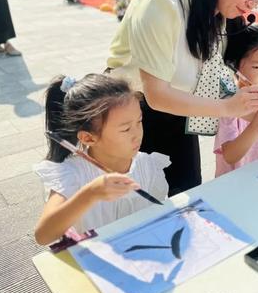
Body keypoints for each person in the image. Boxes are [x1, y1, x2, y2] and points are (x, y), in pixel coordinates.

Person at [106, 0, 258, 196]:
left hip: (180, 110)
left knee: (186, 194)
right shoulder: (161, 4)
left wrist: (254, 115)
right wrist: (228, 108)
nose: (250, 5)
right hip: (130, 114)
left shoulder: (219, 13)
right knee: (138, 205)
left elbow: (209, 82)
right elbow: (156, 95)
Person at [33, 73, 169, 246]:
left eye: (139, 121)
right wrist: (90, 194)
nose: (137, 134)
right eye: (126, 129)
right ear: (88, 138)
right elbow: (43, 236)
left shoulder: (147, 165)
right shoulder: (73, 174)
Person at [214, 25, 258, 177]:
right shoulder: (230, 104)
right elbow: (230, 156)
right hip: (235, 186)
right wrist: (256, 125)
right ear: (234, 65)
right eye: (257, 67)